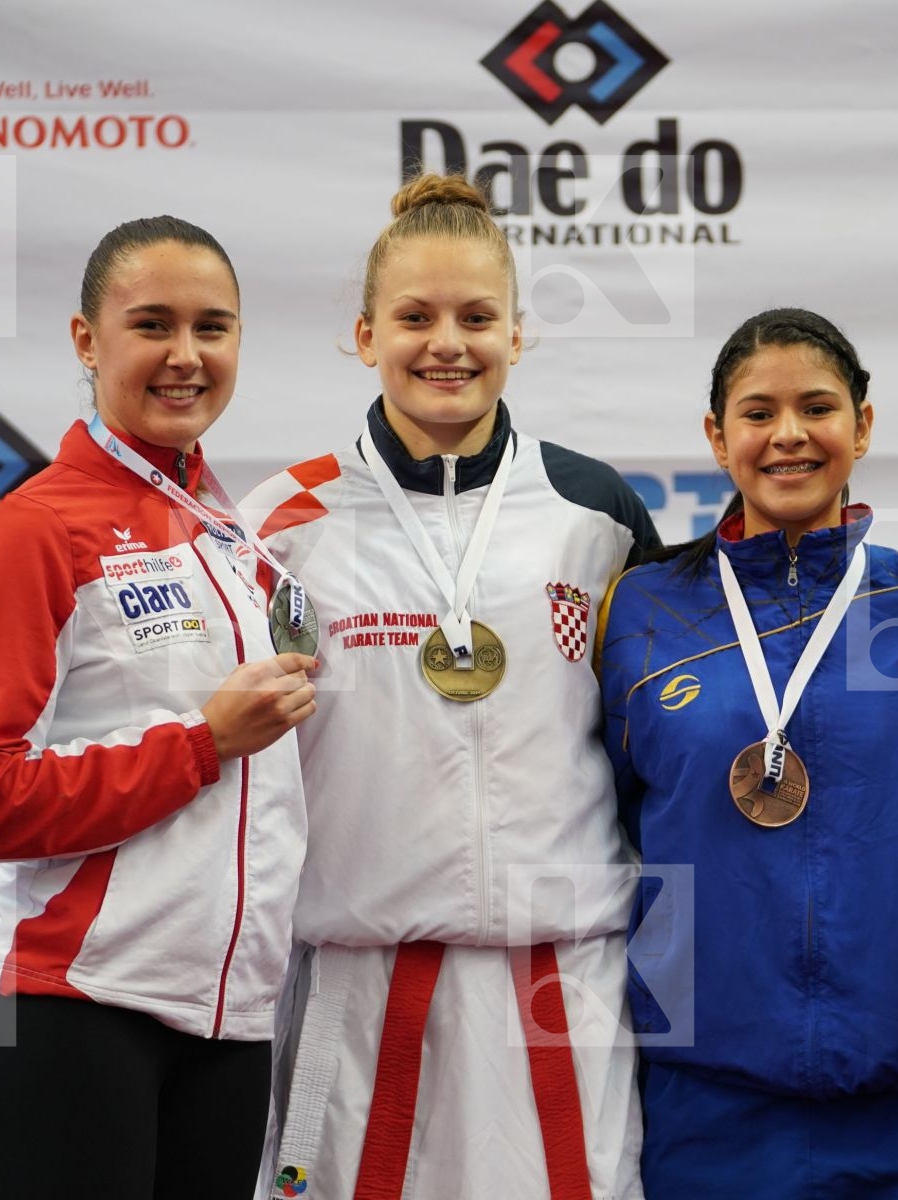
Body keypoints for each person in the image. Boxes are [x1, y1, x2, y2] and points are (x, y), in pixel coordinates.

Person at [244, 173, 659, 1200]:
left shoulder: (595, 512)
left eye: (477, 318)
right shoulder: (284, 521)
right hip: (354, 976)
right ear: (364, 334)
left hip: (558, 979)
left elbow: (651, 741)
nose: (447, 344)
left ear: (518, 334)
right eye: (414, 318)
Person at [0, 216, 317, 1200]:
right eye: (152, 325)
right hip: (64, 1007)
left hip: (226, 1017)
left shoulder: (227, 528)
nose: (186, 356)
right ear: (87, 341)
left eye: (212, 327)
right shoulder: (33, 530)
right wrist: (201, 744)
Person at [597, 308, 898, 1198]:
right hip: (707, 1098)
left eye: (816, 408)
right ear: (716, 436)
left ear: (862, 424)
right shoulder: (641, 613)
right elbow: (606, 816)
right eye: (758, 413)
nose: (788, 435)